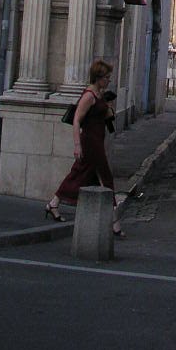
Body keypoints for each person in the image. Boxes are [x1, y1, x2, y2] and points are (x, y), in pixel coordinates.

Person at [45, 60, 124, 237]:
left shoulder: (99, 94)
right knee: (105, 178)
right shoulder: (89, 95)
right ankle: (114, 221)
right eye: (106, 77)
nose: (108, 80)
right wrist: (77, 145)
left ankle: (53, 203)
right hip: (90, 141)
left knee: (80, 173)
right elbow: (77, 120)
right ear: (98, 78)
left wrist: (108, 107)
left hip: (97, 138)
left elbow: (103, 116)